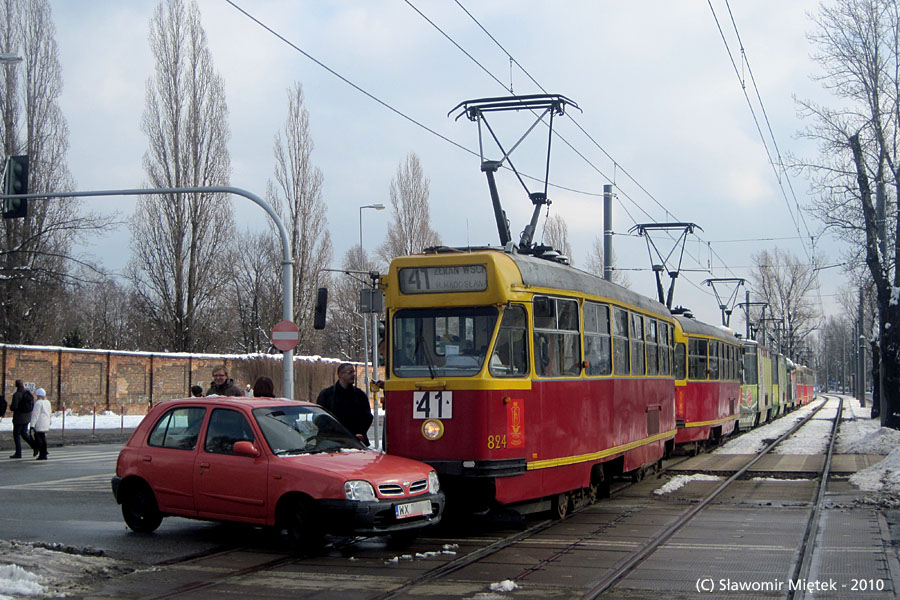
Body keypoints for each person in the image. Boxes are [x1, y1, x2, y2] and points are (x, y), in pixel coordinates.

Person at [316, 363, 373, 445]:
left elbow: (367, 417)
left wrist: (360, 433)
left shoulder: (360, 395)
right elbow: (320, 417)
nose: (353, 375)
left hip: (355, 440)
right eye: (350, 372)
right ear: (340, 375)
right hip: (331, 441)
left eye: (354, 372)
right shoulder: (327, 394)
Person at [9, 380, 35, 459]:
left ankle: (18, 453)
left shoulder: (17, 395)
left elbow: (14, 407)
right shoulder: (28, 393)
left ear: (16, 386)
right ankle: (35, 446)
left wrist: (11, 407)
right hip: (27, 418)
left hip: (18, 418)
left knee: (16, 435)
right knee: (24, 434)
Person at [29, 388, 51, 460]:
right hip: (46, 422)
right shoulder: (47, 402)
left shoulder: (38, 403)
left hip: (39, 423)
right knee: (43, 438)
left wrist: (32, 425)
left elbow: (35, 415)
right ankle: (44, 453)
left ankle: (42, 454)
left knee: (39, 439)